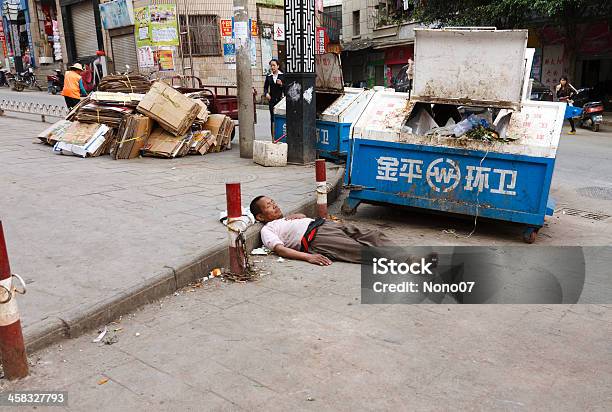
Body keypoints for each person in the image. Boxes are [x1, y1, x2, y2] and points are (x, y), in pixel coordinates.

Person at [250, 196, 393, 265]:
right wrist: (308, 257)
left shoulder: (284, 219)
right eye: (269, 205)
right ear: (260, 216)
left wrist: (301, 217)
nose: (274, 205)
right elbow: (280, 250)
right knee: (359, 251)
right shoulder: (267, 230)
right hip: (316, 238)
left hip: (324, 224)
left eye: (273, 202)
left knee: (372, 235)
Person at [263, 59, 284, 138]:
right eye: (271, 65)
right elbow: (265, 88)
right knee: (272, 118)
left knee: (281, 118)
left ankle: (281, 137)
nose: (272, 67)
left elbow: (287, 88)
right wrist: (266, 94)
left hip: (281, 101)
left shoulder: (283, 75)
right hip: (272, 100)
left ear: (278, 66)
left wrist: (281, 84)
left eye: (274, 65)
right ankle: (273, 137)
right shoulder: (269, 76)